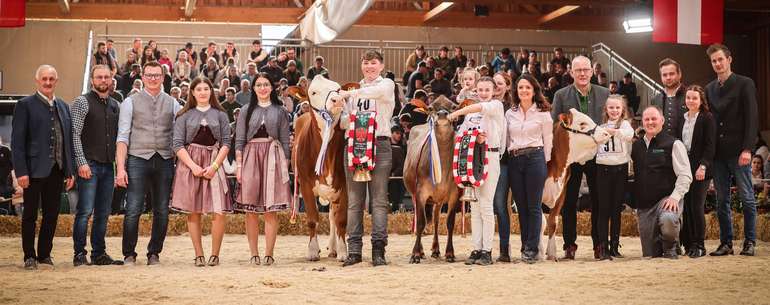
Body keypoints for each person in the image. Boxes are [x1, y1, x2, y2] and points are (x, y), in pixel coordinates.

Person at [333, 50, 395, 267]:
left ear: (381, 65)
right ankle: (355, 250)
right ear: (362, 66)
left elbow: (375, 92)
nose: (369, 66)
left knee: (378, 200)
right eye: (366, 63)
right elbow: (342, 122)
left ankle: (379, 249)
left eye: (374, 63)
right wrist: (339, 109)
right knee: (354, 201)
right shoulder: (352, 91)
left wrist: (349, 94)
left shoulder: (386, 84)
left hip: (379, 144)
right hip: (354, 145)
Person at [116, 61, 181, 265]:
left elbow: (184, 128)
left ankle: (154, 253)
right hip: (137, 159)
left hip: (164, 160)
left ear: (163, 78)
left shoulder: (173, 103)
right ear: (142, 77)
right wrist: (120, 168)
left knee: (161, 209)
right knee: (134, 208)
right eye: (149, 75)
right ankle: (129, 253)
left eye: (157, 75)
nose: (153, 78)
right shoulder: (130, 102)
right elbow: (122, 136)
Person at [12, 65, 76, 270]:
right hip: (32, 171)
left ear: (56, 81)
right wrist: (21, 172)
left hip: (57, 171)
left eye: (51, 79)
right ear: (37, 80)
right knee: (30, 215)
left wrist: (69, 170)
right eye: (44, 79)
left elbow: (67, 141)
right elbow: (17, 142)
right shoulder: (25, 105)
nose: (48, 82)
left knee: (51, 214)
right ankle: (29, 256)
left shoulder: (64, 106)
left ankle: (44, 255)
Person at [550, 56, 608, 259]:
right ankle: (569, 245)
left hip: (597, 155)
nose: (582, 73)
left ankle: (600, 245)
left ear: (592, 71)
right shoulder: (561, 95)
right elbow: (555, 126)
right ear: (571, 72)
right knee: (569, 201)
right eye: (578, 70)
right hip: (572, 157)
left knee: (599, 201)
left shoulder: (605, 93)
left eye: (586, 70)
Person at [171, 77, 232, 267]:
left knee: (219, 211)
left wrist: (214, 166)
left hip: (214, 163)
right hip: (191, 165)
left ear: (211, 92)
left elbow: (226, 143)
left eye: (207, 88)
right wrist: (193, 166)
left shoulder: (221, 114)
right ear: (192, 92)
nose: (203, 92)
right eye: (199, 89)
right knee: (194, 211)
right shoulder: (184, 115)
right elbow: (177, 144)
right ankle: (198, 254)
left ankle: (215, 254)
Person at [705, 43, 758, 257]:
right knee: (721, 201)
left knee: (746, 197)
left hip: (739, 152)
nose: (717, 63)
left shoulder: (745, 83)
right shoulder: (709, 89)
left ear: (729, 59)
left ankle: (750, 241)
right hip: (718, 154)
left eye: (720, 59)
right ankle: (726, 243)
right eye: (713, 61)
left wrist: (747, 148)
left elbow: (752, 118)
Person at [447, 76, 506, 266]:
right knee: (474, 206)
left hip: (490, 157)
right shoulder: (471, 115)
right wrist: (471, 136)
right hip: (471, 159)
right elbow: (460, 135)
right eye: (480, 90)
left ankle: (487, 250)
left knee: (486, 205)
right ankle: (476, 248)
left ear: (494, 91)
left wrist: (456, 113)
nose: (483, 93)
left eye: (486, 90)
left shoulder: (496, 106)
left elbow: (479, 108)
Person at [235, 73, 291, 266]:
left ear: (272, 87)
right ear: (254, 88)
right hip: (251, 157)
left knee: (270, 209)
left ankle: (269, 253)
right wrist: (239, 165)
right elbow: (240, 140)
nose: (263, 88)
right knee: (251, 209)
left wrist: (286, 163)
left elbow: (285, 140)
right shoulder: (245, 110)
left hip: (273, 158)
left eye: (266, 84)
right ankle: (254, 253)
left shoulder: (280, 110)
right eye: (259, 85)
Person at [70, 65, 123, 266]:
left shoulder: (115, 104)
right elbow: (74, 134)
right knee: (84, 211)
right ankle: (79, 254)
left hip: (108, 167)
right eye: (99, 77)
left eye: (106, 77)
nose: (103, 80)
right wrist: (81, 163)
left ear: (111, 80)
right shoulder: (82, 102)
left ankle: (99, 253)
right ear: (92, 80)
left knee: (103, 212)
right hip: (89, 165)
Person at [631, 106, 692, 258]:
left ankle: (671, 247)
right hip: (645, 206)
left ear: (662, 121)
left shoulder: (674, 144)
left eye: (654, 119)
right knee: (650, 254)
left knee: (669, 218)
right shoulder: (636, 146)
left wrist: (675, 197)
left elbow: (685, 175)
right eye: (647, 119)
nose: (650, 122)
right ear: (642, 122)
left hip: (666, 199)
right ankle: (662, 244)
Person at [505, 73, 552, 264]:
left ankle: (532, 249)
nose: (524, 90)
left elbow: (548, 141)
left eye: (528, 87)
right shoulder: (510, 113)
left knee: (533, 206)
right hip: (515, 160)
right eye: (521, 87)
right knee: (521, 207)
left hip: (535, 158)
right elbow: (507, 139)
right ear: (516, 90)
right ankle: (525, 245)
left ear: (534, 91)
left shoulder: (543, 113)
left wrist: (545, 165)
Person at [676, 85, 716, 258]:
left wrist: (703, 166)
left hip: (701, 167)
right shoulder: (682, 118)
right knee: (686, 208)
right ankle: (689, 243)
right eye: (688, 98)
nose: (690, 101)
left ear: (701, 100)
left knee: (696, 206)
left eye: (694, 98)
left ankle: (700, 245)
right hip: (685, 165)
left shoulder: (707, 118)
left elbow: (710, 145)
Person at [593, 94, 634, 260]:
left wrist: (614, 131)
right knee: (603, 209)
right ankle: (602, 246)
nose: (614, 110)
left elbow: (629, 135)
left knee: (616, 209)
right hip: (603, 169)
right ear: (606, 109)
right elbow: (595, 141)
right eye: (611, 107)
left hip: (620, 169)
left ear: (622, 109)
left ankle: (615, 245)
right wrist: (604, 131)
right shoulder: (600, 126)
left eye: (617, 107)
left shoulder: (625, 125)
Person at [491, 72, 512, 262]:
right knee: (485, 206)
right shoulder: (486, 104)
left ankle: (504, 248)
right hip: (486, 161)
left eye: (500, 84)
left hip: (504, 162)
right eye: (494, 83)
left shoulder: (511, 109)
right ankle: (485, 248)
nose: (497, 87)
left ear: (507, 86)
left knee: (500, 205)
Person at [388, 126, 406, 213]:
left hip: (396, 178)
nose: (399, 135)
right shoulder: (385, 146)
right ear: (392, 134)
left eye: (400, 134)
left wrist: (394, 173)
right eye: (397, 133)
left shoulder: (402, 148)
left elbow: (402, 164)